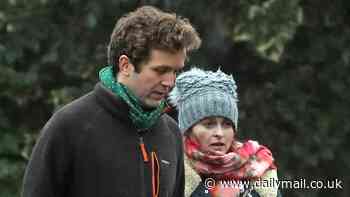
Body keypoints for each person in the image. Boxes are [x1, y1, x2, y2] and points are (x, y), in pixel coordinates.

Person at [22, 6, 201, 197]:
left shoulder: (171, 133)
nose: (169, 82)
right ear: (125, 65)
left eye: (175, 71)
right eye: (160, 70)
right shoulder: (69, 127)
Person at [169, 68, 281, 197]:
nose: (219, 133)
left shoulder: (258, 165)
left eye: (227, 124)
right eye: (208, 124)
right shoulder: (171, 166)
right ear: (188, 130)